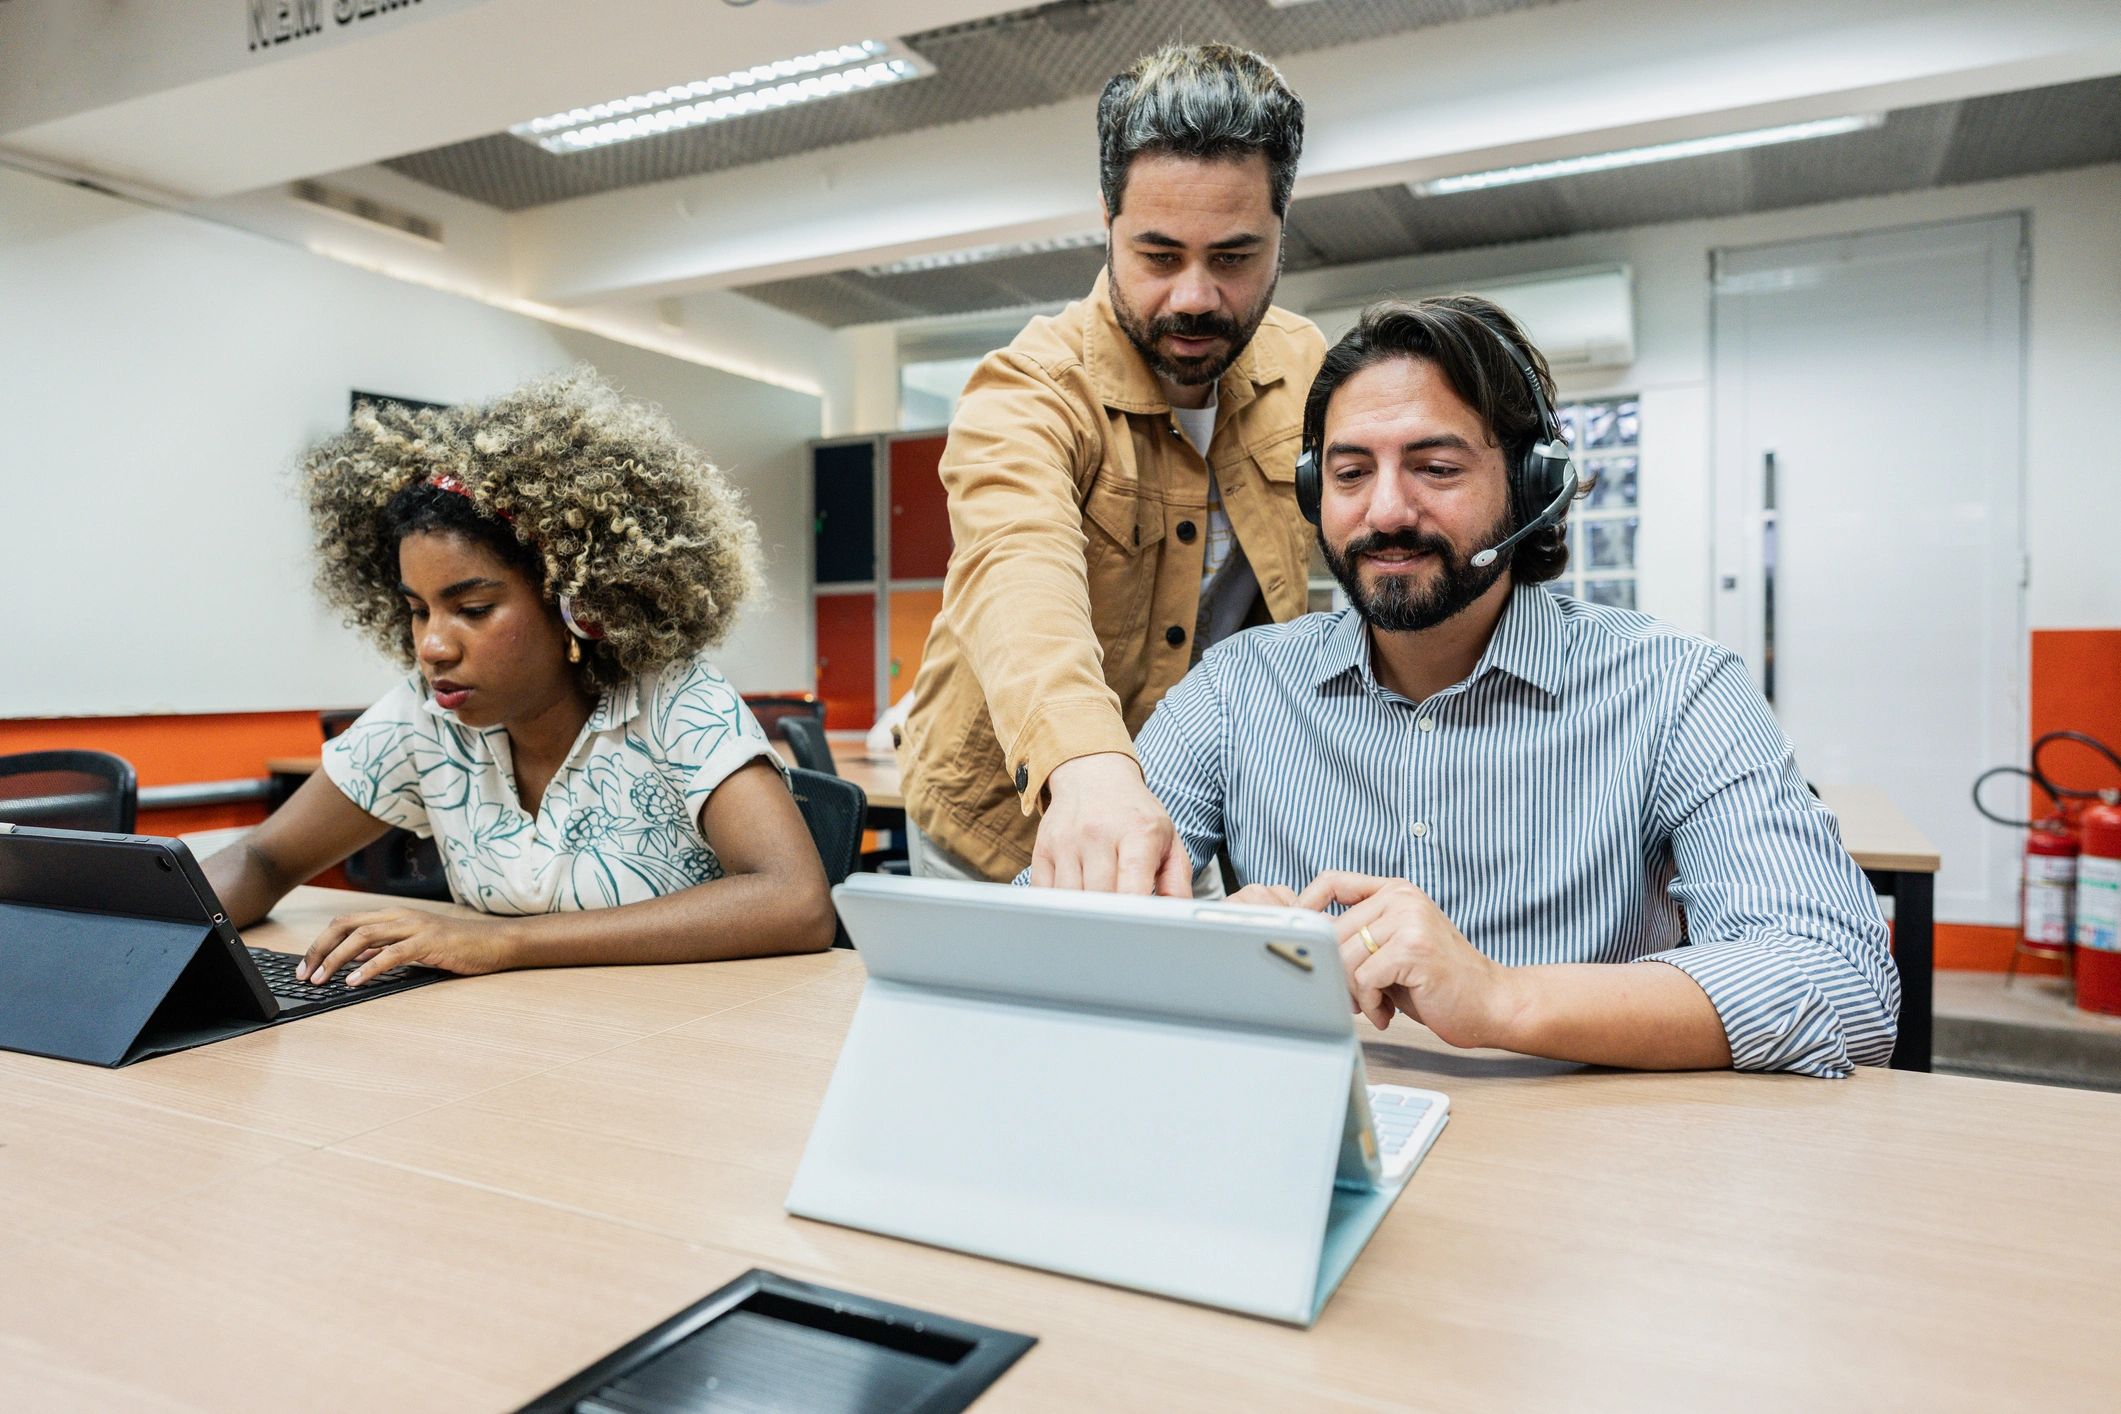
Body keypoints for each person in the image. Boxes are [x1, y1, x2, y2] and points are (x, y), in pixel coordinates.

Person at [1100, 297, 1899, 1077]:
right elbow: (1064, 930)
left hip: (1585, 1150)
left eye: (1436, 468)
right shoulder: (1236, 688)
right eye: (1349, 473)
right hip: (1323, 1132)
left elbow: (1844, 983)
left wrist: (1501, 998)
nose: (1385, 511)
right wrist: (1204, 944)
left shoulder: (1676, 688)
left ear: (1530, 484)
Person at [204, 369, 835, 985]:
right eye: (418, 610)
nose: (432, 646)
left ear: (578, 606)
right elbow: (264, 858)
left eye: (474, 609)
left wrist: (503, 943)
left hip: (685, 1033)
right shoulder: (426, 716)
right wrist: (156, 941)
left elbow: (794, 901)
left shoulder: (672, 699)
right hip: (509, 1034)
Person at [896, 42, 1325, 894]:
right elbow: (1017, 570)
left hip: (1186, 813)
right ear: (1106, 221)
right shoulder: (1027, 388)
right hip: (998, 826)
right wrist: (1089, 768)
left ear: (1282, 228)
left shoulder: (1306, 368)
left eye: (1233, 257)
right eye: (1159, 256)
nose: (1194, 297)